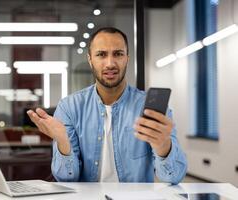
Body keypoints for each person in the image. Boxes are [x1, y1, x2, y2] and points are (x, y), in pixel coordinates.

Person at [27, 27, 187, 184]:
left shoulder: (149, 109)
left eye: (118, 54)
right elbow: (67, 178)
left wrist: (163, 146)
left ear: (127, 58)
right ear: (90, 60)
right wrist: (63, 143)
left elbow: (174, 177)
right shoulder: (69, 107)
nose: (110, 63)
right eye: (101, 55)